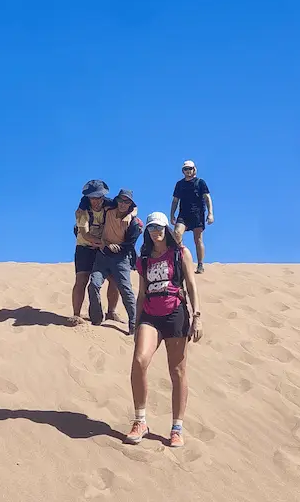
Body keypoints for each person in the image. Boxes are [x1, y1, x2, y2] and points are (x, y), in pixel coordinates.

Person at [125, 211, 203, 448]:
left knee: (177, 371)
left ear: (166, 228)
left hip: (175, 313)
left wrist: (197, 316)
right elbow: (140, 293)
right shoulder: (145, 258)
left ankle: (177, 427)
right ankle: (141, 421)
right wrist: (136, 324)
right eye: (151, 228)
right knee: (139, 361)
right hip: (150, 313)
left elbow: (191, 284)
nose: (155, 232)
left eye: (159, 228)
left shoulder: (180, 253)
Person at [87, 189, 143, 334]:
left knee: (126, 290)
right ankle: (96, 318)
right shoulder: (109, 209)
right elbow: (88, 199)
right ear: (116, 200)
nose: (123, 204)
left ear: (131, 204)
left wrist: (116, 247)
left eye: (127, 201)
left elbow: (130, 245)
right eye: (121, 200)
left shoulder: (134, 222)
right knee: (93, 284)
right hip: (102, 256)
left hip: (121, 259)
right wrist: (106, 246)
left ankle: (134, 324)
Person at [71, 180, 110, 325]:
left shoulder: (110, 206)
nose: (96, 200)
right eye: (92, 197)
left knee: (114, 278)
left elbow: (132, 208)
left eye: (99, 196)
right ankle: (76, 314)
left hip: (103, 248)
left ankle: (111, 312)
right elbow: (85, 234)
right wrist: (103, 243)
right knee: (81, 279)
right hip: (84, 247)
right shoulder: (82, 211)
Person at [169, 160, 214, 274]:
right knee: (177, 234)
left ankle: (200, 264)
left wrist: (210, 213)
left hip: (197, 214)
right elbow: (175, 201)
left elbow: (207, 198)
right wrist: (172, 215)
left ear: (194, 169)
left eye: (190, 168)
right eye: (185, 169)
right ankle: (179, 261)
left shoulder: (200, 182)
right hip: (183, 214)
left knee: (198, 239)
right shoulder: (180, 184)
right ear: (183, 171)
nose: (188, 171)